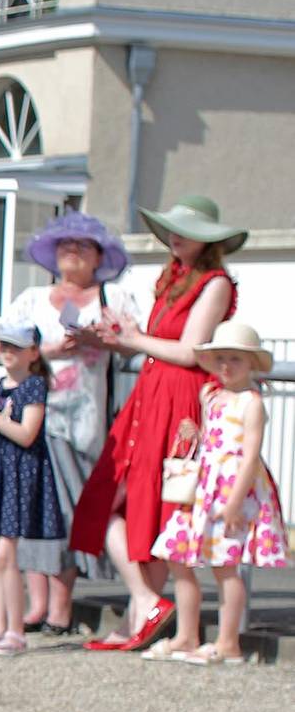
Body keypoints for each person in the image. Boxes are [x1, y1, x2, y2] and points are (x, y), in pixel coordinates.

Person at [71, 194, 242, 653]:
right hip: (152, 393)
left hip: (179, 399)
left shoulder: (214, 282)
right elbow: (157, 345)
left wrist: (132, 339)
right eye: (172, 228)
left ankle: (141, 613)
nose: (174, 235)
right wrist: (113, 340)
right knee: (119, 500)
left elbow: (191, 352)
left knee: (157, 504)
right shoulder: (176, 279)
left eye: (184, 229)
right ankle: (144, 603)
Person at [4, 212, 135, 631]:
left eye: (81, 246)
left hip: (88, 424)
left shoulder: (113, 300)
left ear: (99, 256)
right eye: (65, 246)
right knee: (35, 508)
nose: (72, 253)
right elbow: (4, 347)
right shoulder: (30, 299)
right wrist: (49, 352)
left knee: (70, 510)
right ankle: (37, 603)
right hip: (35, 418)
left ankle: (61, 605)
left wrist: (101, 340)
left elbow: (135, 347)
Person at [150, 321, 287, 664]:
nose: (226, 366)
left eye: (236, 359)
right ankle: (186, 634)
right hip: (206, 488)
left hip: (232, 490)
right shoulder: (211, 395)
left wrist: (234, 502)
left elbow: (250, 454)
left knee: (226, 566)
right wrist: (194, 432)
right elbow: (213, 440)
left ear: (251, 363)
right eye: (221, 358)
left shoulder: (251, 402)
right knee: (177, 554)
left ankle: (228, 642)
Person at [0, 325, 64, 656]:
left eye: (16, 347)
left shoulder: (34, 386)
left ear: (33, 353)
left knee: (6, 553)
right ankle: (0, 625)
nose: (9, 352)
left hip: (19, 472)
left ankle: (15, 630)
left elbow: (26, 434)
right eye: (4, 345)